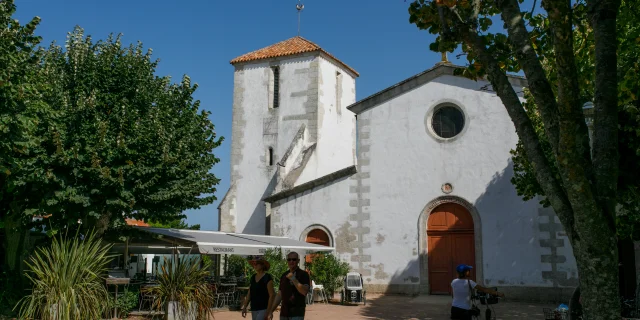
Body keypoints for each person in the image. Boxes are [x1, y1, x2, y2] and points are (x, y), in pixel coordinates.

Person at [267, 252, 310, 320]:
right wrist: (271, 311)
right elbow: (279, 294)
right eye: (289, 259)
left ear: (298, 261)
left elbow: (304, 292)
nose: (291, 261)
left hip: (297, 313)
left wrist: (293, 279)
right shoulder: (284, 275)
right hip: (284, 313)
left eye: (294, 259)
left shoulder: (303, 274)